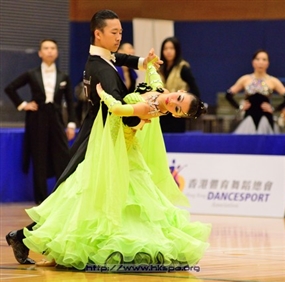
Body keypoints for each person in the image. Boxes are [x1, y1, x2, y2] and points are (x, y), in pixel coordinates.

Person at [5, 9, 162, 265]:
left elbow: (117, 57)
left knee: (88, 196)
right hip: (97, 139)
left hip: (100, 133)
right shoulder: (105, 72)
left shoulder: (97, 59)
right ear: (98, 34)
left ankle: (29, 238)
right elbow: (120, 108)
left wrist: (144, 62)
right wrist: (145, 114)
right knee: (73, 195)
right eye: (114, 32)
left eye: (121, 32)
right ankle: (23, 237)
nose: (119, 37)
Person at [21, 59, 210, 270]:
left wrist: (103, 95)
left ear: (176, 114)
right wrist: (148, 63)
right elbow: (155, 79)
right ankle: (58, 251)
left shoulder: (150, 108)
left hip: (118, 150)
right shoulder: (162, 92)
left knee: (110, 197)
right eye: (179, 97)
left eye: (177, 107)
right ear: (180, 91)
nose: (173, 101)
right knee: (82, 192)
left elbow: (120, 110)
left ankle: (101, 247)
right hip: (108, 145)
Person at [4, 39, 76, 205]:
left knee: (62, 157)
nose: (50, 51)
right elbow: (10, 88)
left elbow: (70, 102)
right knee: (39, 158)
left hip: (57, 119)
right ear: (40, 53)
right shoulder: (32, 74)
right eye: (46, 48)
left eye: (52, 48)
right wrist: (24, 105)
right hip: (37, 119)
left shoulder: (63, 76)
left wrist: (71, 124)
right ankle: (41, 201)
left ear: (57, 52)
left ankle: (63, 197)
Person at [225, 49, 285, 134]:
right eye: (258, 59)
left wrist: (274, 109)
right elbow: (228, 94)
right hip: (249, 118)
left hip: (266, 119)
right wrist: (240, 107)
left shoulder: (273, 81)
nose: (261, 62)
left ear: (268, 63)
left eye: (264, 59)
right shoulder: (245, 79)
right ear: (253, 62)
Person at [158, 36, 201, 133]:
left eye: (171, 48)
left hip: (176, 114)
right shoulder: (159, 68)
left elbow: (195, 90)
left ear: (177, 50)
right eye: (165, 48)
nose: (168, 51)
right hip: (160, 111)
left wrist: (183, 104)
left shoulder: (183, 68)